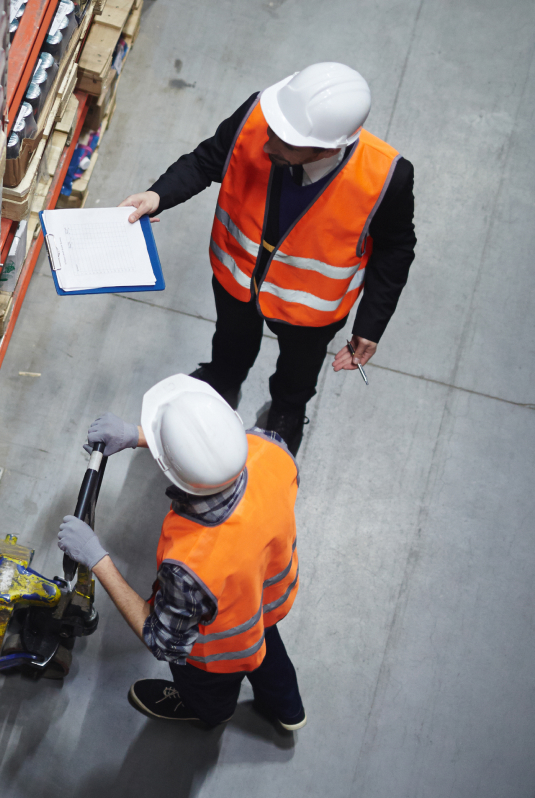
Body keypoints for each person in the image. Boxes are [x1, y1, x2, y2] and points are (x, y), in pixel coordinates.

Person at [120, 62, 416, 454]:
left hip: (309, 312)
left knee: (298, 374)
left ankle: (286, 413)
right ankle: (223, 379)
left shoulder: (385, 177)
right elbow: (208, 159)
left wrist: (371, 324)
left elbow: (396, 249)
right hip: (237, 279)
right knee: (229, 343)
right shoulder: (261, 116)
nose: (268, 145)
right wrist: (158, 195)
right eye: (274, 133)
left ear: (330, 147)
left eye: (286, 143)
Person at [58, 374, 304, 731]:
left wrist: (97, 558)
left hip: (218, 651)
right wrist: (137, 436)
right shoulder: (271, 449)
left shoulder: (192, 562)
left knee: (210, 689)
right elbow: (212, 455)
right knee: (268, 653)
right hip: (267, 601)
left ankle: (211, 712)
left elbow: (162, 639)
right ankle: (289, 710)